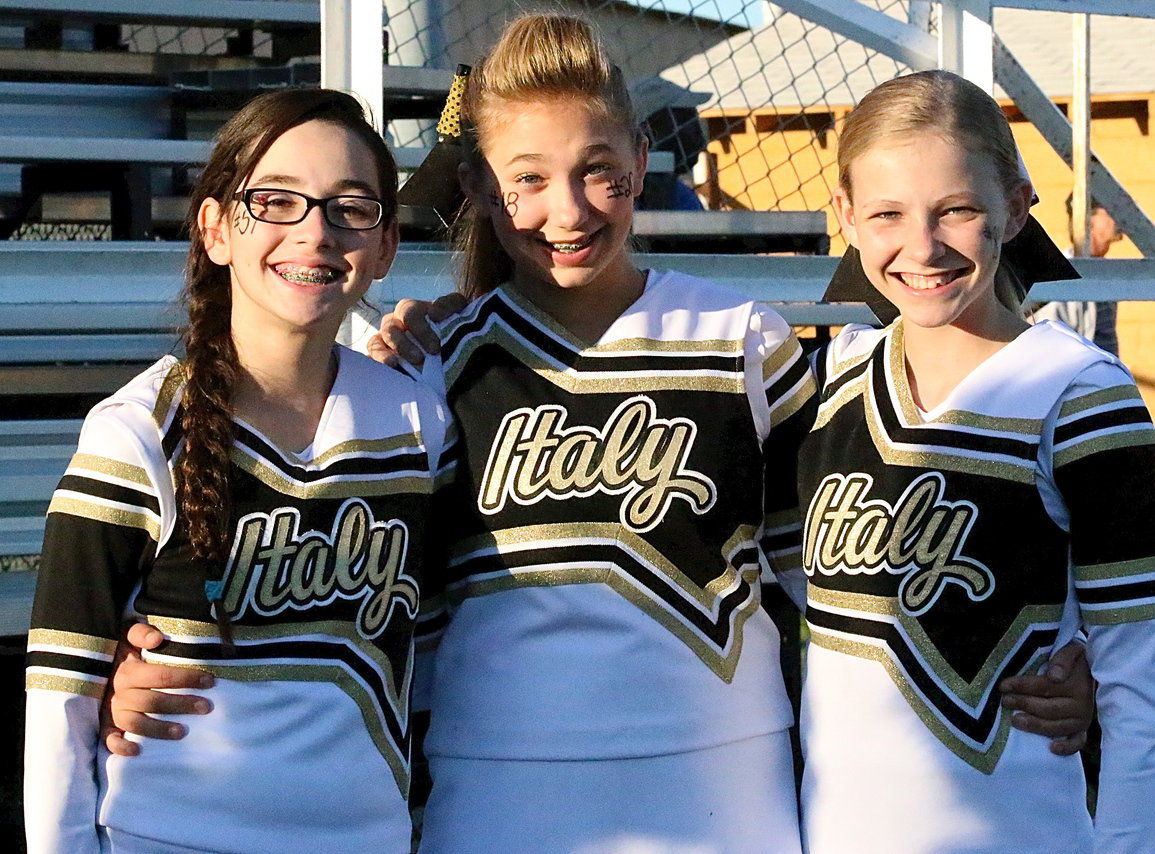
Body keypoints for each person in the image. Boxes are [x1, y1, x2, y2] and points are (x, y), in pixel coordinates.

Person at [99, 17, 1097, 852]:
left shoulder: (743, 341)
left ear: (641, 163)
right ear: (484, 191)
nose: (566, 211)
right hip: (496, 787)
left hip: (725, 782)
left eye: (598, 173)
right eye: (526, 180)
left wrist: (1071, 649)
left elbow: (854, 570)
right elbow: (341, 584)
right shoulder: (432, 367)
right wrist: (147, 670)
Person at [23, 88, 449, 853]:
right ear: (217, 228)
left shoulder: (419, 422)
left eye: (351, 207)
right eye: (276, 201)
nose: (315, 232)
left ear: (384, 247)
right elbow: (61, 696)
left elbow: (442, 656)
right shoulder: (139, 431)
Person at [798, 69, 1155, 853]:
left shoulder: (1078, 391)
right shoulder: (832, 380)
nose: (923, 246)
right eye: (887, 214)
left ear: (1015, 205)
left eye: (957, 210)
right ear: (845, 215)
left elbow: (1141, 675)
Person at [1028, 194, 1124, 356]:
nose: (1121, 217)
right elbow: (1052, 347)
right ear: (1089, 219)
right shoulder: (1059, 274)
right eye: (1110, 210)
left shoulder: (1103, 274)